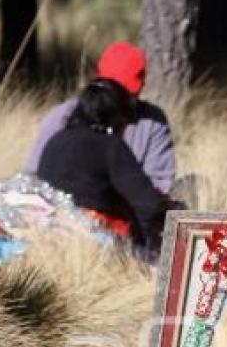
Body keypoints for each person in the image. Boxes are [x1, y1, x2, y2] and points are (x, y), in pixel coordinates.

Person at [36, 78, 181, 249]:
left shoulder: (56, 141)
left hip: (46, 233)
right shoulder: (111, 147)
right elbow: (147, 204)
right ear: (116, 117)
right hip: (97, 240)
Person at [25, 42, 177, 194]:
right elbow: (33, 175)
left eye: (126, 92)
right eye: (114, 89)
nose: (120, 97)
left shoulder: (153, 122)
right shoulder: (61, 117)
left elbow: (159, 183)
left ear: (141, 85)